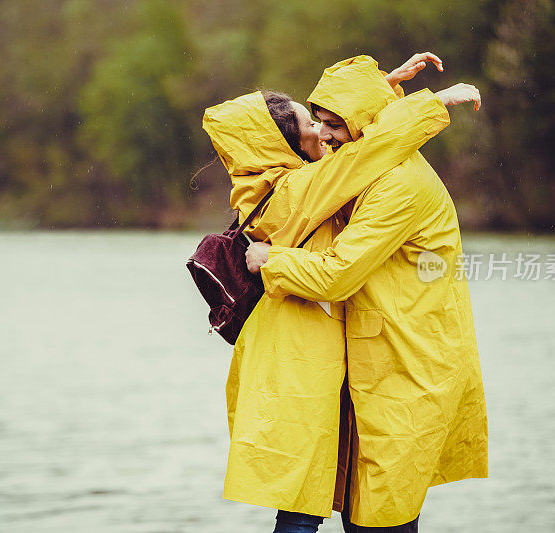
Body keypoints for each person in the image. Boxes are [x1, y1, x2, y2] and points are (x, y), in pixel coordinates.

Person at [202, 54, 482, 532]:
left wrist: (379, 91)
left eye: (330, 123)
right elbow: (365, 151)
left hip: (401, 359)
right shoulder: (306, 183)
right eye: (316, 123)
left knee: (372, 510)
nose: (325, 134)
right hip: (369, 358)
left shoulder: (382, 181)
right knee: (346, 508)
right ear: (285, 144)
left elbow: (365, 154)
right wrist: (425, 102)